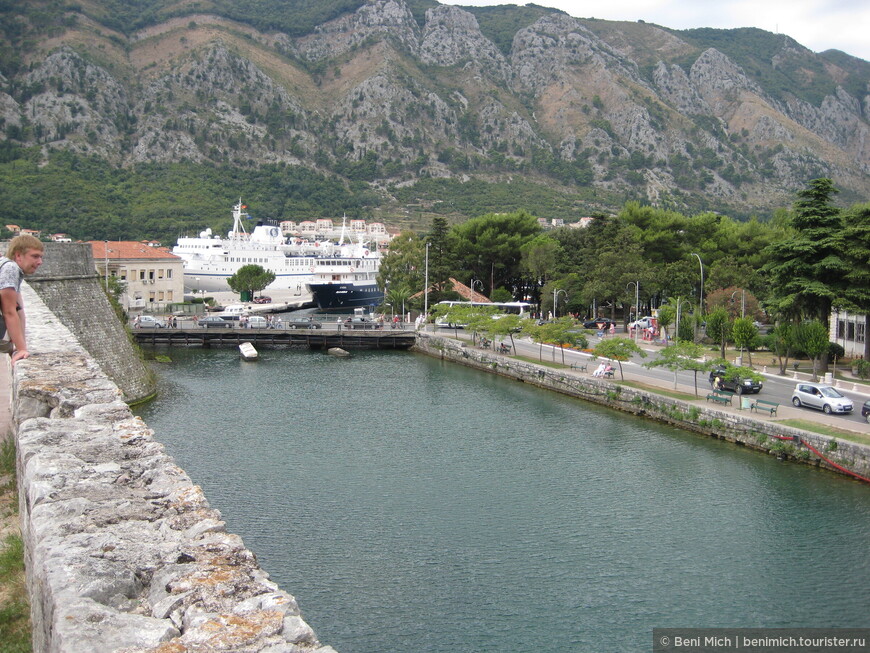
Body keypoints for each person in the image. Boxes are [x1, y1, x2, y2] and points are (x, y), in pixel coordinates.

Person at [0, 234, 45, 365]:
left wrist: (20, 342)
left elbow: (19, 309)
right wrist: (21, 349)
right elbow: (9, 312)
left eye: (41, 257)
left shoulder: (6, 266)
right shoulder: (11, 268)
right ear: (18, 255)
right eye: (35, 256)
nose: (39, 262)